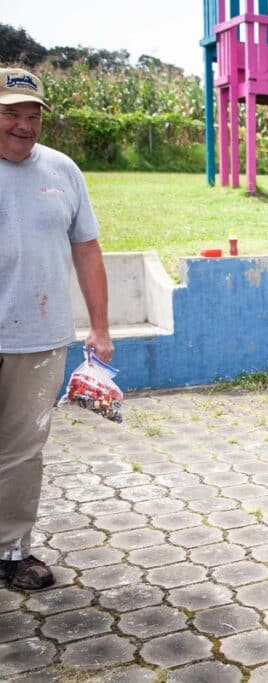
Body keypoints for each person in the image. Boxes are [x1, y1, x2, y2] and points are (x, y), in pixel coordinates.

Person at [0, 67, 113, 590]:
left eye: (32, 116)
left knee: (23, 450)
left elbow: (86, 248)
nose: (24, 126)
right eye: (10, 114)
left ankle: (10, 550)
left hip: (39, 339)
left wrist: (100, 326)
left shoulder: (63, 170)